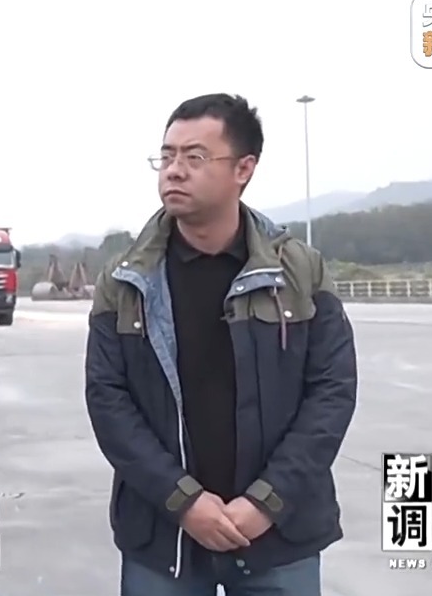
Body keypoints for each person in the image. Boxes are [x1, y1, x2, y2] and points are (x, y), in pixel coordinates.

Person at [84, 93, 358, 596]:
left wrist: (266, 501)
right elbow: (108, 401)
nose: (174, 170)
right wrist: (184, 502)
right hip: (164, 537)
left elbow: (332, 392)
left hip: (278, 536)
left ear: (244, 169)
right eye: (167, 156)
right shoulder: (126, 281)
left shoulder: (299, 272)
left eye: (195, 157)